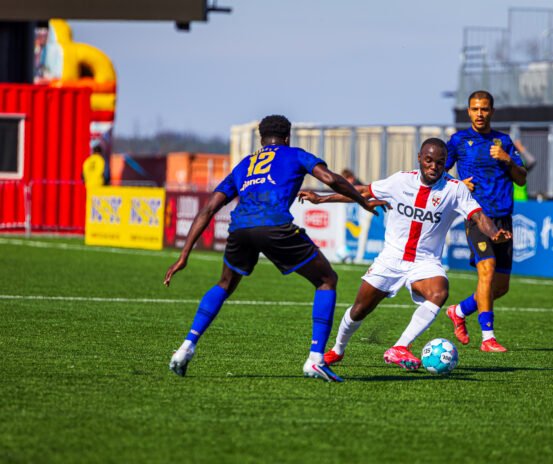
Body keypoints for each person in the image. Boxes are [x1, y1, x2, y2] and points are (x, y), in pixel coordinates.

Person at [165, 115, 383, 383]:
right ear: (287, 137)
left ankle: (186, 348)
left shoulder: (245, 164)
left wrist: (183, 256)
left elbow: (209, 208)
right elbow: (330, 178)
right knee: (326, 280)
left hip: (240, 229)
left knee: (225, 283)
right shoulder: (295, 154)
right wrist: (361, 201)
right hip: (274, 227)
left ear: (261, 138)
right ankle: (315, 359)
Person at [298, 138, 511, 370]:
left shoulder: (455, 188)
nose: (433, 166)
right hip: (391, 258)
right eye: (428, 160)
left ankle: (400, 346)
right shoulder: (400, 181)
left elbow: (478, 216)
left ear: (444, 164)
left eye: (439, 163)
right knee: (360, 309)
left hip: (425, 262)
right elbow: (361, 192)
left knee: (439, 292)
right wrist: (322, 199)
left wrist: (493, 233)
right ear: (419, 158)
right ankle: (337, 350)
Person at [444, 90, 527, 353]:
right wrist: (457, 184)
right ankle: (488, 338)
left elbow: (522, 178)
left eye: (484, 109)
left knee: (500, 288)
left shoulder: (503, 141)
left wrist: (507, 159)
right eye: (475, 109)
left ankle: (459, 310)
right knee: (487, 269)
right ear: (468, 111)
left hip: (504, 218)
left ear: (491, 111)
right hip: (477, 216)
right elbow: (434, 172)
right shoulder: (458, 141)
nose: (480, 114)